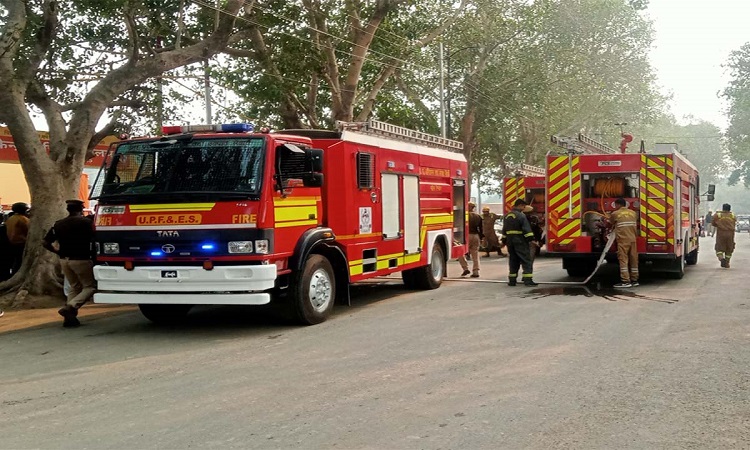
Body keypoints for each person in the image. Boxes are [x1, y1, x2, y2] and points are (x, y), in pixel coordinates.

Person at [43, 200, 96, 327]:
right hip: (81, 259)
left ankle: (70, 318)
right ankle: (71, 307)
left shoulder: (58, 224)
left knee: (74, 287)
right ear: (81, 209)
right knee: (90, 287)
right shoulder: (87, 223)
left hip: (64, 260)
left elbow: (45, 242)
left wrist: (57, 252)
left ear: (68, 210)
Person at [501, 199, 537, 286]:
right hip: (520, 240)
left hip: (510, 241)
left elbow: (504, 230)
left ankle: (512, 280)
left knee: (513, 260)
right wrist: (531, 240)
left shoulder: (507, 216)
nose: (524, 208)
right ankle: (528, 280)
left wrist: (504, 241)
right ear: (520, 205)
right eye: (523, 206)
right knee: (526, 260)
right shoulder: (521, 216)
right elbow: (526, 230)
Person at [609, 197, 639, 288]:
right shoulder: (633, 213)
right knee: (634, 259)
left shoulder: (615, 213)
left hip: (623, 240)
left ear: (617, 205)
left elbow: (611, 222)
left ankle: (626, 281)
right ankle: (634, 280)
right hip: (633, 239)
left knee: (623, 260)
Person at [458, 202, 483, 278]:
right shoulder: (478, 216)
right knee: (475, 254)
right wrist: (481, 238)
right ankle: (476, 271)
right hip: (476, 236)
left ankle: (465, 268)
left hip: (466, 235)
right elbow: (481, 229)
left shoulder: (464, 216)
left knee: (460, 252)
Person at [5, 202, 30, 276]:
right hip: (21, 243)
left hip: (11, 243)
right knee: (20, 261)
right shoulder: (23, 219)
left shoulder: (10, 219)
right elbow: (30, 231)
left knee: (16, 261)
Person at [712, 203, 736, 268]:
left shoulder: (718, 215)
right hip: (730, 234)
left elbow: (713, 223)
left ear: (723, 208)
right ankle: (727, 262)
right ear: (729, 209)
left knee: (719, 248)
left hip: (721, 234)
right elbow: (734, 223)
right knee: (729, 248)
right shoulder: (733, 215)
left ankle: (721, 259)